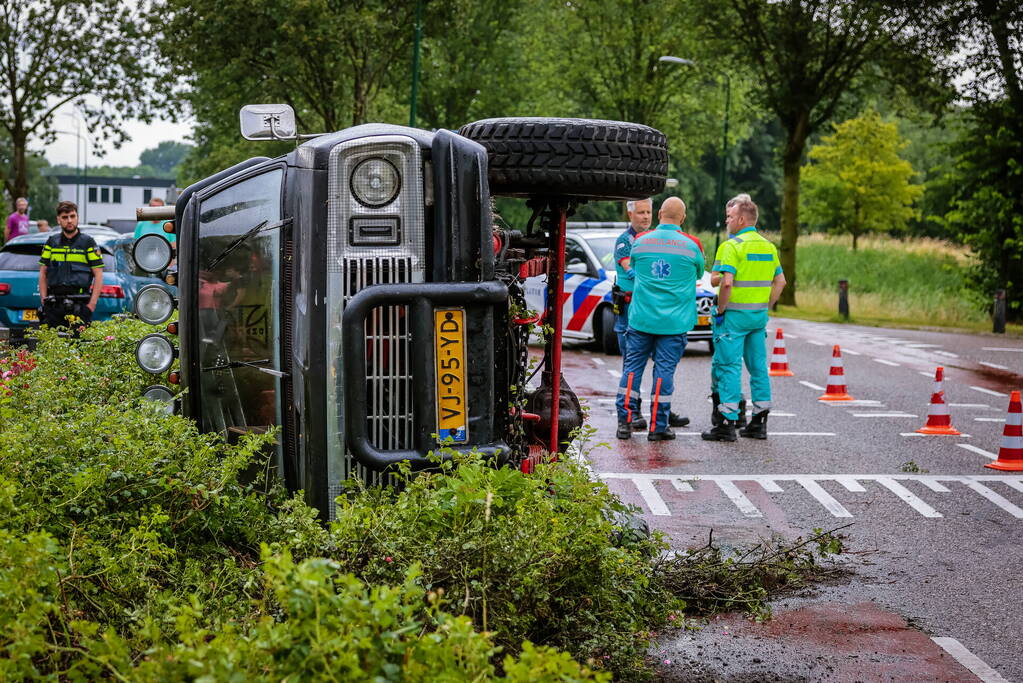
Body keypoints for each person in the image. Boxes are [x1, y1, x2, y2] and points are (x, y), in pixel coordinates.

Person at [616, 197, 704, 441]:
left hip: (641, 319)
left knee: (632, 369)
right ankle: (658, 427)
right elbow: (698, 272)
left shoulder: (641, 243)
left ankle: (624, 422)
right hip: (674, 323)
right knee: (664, 373)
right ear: (683, 218)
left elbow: (633, 266)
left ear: (659, 214)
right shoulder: (691, 245)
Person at [702, 194, 786, 442]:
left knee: (729, 367)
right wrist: (765, 306)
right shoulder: (768, 247)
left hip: (734, 317)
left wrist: (721, 310)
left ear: (740, 219)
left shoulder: (732, 246)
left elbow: (725, 282)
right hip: (757, 317)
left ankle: (727, 424)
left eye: (729, 217)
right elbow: (780, 281)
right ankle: (758, 423)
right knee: (759, 367)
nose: (727, 221)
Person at [38, 201, 104, 331]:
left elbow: (98, 274)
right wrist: (44, 300)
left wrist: (91, 305)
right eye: (65, 217)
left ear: (77, 217)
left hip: (80, 306)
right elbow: (43, 273)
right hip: (54, 306)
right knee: (52, 347)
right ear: (58, 220)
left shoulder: (88, 243)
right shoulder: (52, 242)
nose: (69, 221)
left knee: (79, 347)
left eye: (72, 216)